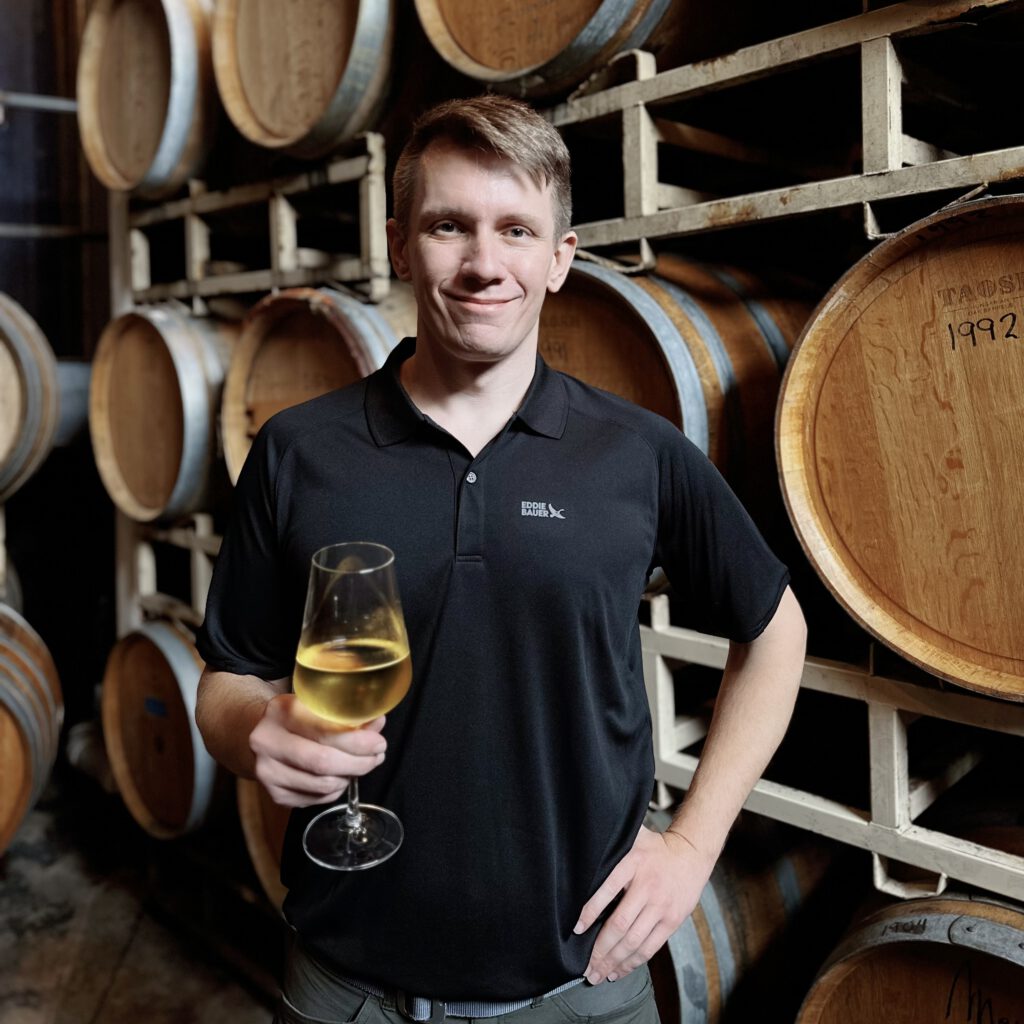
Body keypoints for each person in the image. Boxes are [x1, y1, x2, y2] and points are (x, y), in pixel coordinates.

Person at [195, 94, 807, 1024]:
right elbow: (228, 676)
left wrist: (692, 845)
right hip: (346, 987)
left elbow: (775, 630)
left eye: (517, 229)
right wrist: (253, 729)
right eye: (450, 226)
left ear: (560, 258)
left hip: (580, 991)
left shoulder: (636, 453)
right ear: (400, 246)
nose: (485, 263)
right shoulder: (298, 450)